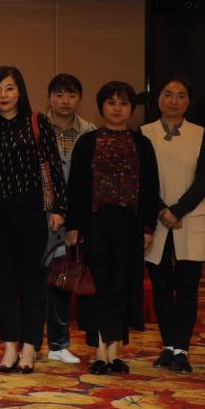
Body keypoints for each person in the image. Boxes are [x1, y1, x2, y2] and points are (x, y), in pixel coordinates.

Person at [0, 66, 68, 375]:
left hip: (31, 213)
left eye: (9, 88)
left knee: (30, 282)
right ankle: (10, 347)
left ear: (20, 91)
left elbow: (53, 167)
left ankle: (30, 347)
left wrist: (58, 209)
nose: (3, 95)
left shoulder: (38, 122)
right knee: (3, 283)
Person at [64, 81, 159, 374]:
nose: (117, 109)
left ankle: (114, 350)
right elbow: (76, 186)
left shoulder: (142, 143)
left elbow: (150, 187)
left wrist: (148, 227)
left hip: (129, 224)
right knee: (98, 285)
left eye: (124, 103)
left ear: (131, 108)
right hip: (95, 223)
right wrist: (73, 225)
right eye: (111, 102)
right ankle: (99, 351)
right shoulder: (87, 142)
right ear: (101, 106)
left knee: (123, 285)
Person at [143, 76, 205, 373]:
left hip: (190, 217)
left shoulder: (200, 134)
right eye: (168, 94)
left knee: (187, 286)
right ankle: (169, 345)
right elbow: (142, 179)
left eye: (181, 95)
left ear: (189, 101)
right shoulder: (144, 133)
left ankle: (182, 348)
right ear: (158, 98)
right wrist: (162, 210)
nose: (174, 100)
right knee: (161, 285)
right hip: (156, 220)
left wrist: (178, 210)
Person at [42, 73, 95, 364]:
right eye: (59, 95)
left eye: (72, 95)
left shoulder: (89, 132)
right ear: (49, 97)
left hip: (74, 217)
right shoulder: (37, 126)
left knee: (62, 276)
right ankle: (30, 341)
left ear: (80, 99)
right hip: (42, 213)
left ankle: (59, 343)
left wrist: (75, 220)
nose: (65, 101)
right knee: (35, 279)